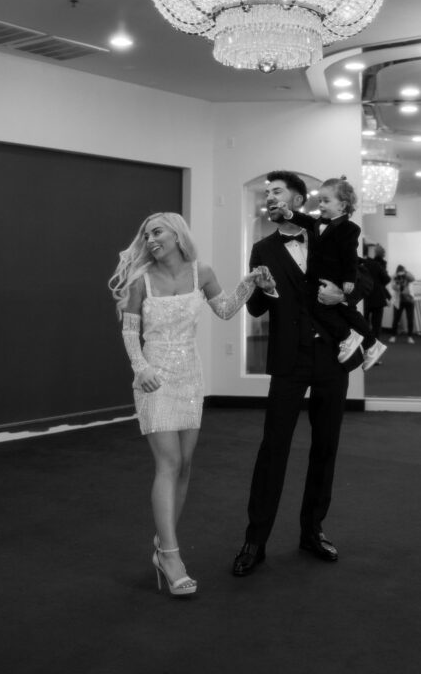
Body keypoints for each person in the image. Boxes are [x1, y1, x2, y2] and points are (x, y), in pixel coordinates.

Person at [109, 212, 270, 598]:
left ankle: (163, 545)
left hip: (190, 376)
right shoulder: (139, 280)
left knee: (185, 466)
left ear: (178, 234)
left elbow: (227, 309)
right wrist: (142, 367)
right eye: (146, 234)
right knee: (168, 463)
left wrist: (249, 283)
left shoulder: (203, 272)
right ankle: (170, 555)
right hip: (155, 378)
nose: (150, 239)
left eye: (157, 231)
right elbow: (130, 333)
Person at [232, 171, 363, 577]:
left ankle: (312, 531)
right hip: (288, 360)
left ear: (298, 200)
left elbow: (362, 284)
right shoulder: (262, 248)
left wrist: (344, 293)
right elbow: (255, 310)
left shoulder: (329, 235)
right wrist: (264, 289)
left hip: (331, 359)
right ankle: (255, 541)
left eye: (276, 192)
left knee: (326, 447)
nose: (268, 198)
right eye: (266, 192)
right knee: (273, 449)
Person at [278, 176, 387, 371]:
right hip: (320, 276)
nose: (321, 205)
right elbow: (305, 220)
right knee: (349, 313)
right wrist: (289, 214)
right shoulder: (319, 222)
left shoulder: (350, 229)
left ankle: (348, 336)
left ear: (342, 205)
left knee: (321, 309)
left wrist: (348, 280)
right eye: (320, 200)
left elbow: (350, 256)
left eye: (326, 201)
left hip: (333, 278)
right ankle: (372, 343)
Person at [362, 244, 392, 343]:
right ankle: (375, 348)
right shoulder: (376, 264)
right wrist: (378, 284)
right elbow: (387, 279)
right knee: (376, 325)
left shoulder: (359, 263)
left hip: (363, 298)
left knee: (363, 324)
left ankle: (364, 345)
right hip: (378, 298)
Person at [390, 264, 416, 344]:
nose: (401, 274)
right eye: (400, 272)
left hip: (409, 300)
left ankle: (410, 337)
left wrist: (405, 273)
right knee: (396, 319)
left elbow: (413, 278)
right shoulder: (395, 277)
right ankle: (393, 336)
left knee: (410, 319)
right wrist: (397, 278)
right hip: (399, 300)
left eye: (402, 271)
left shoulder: (408, 276)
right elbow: (393, 287)